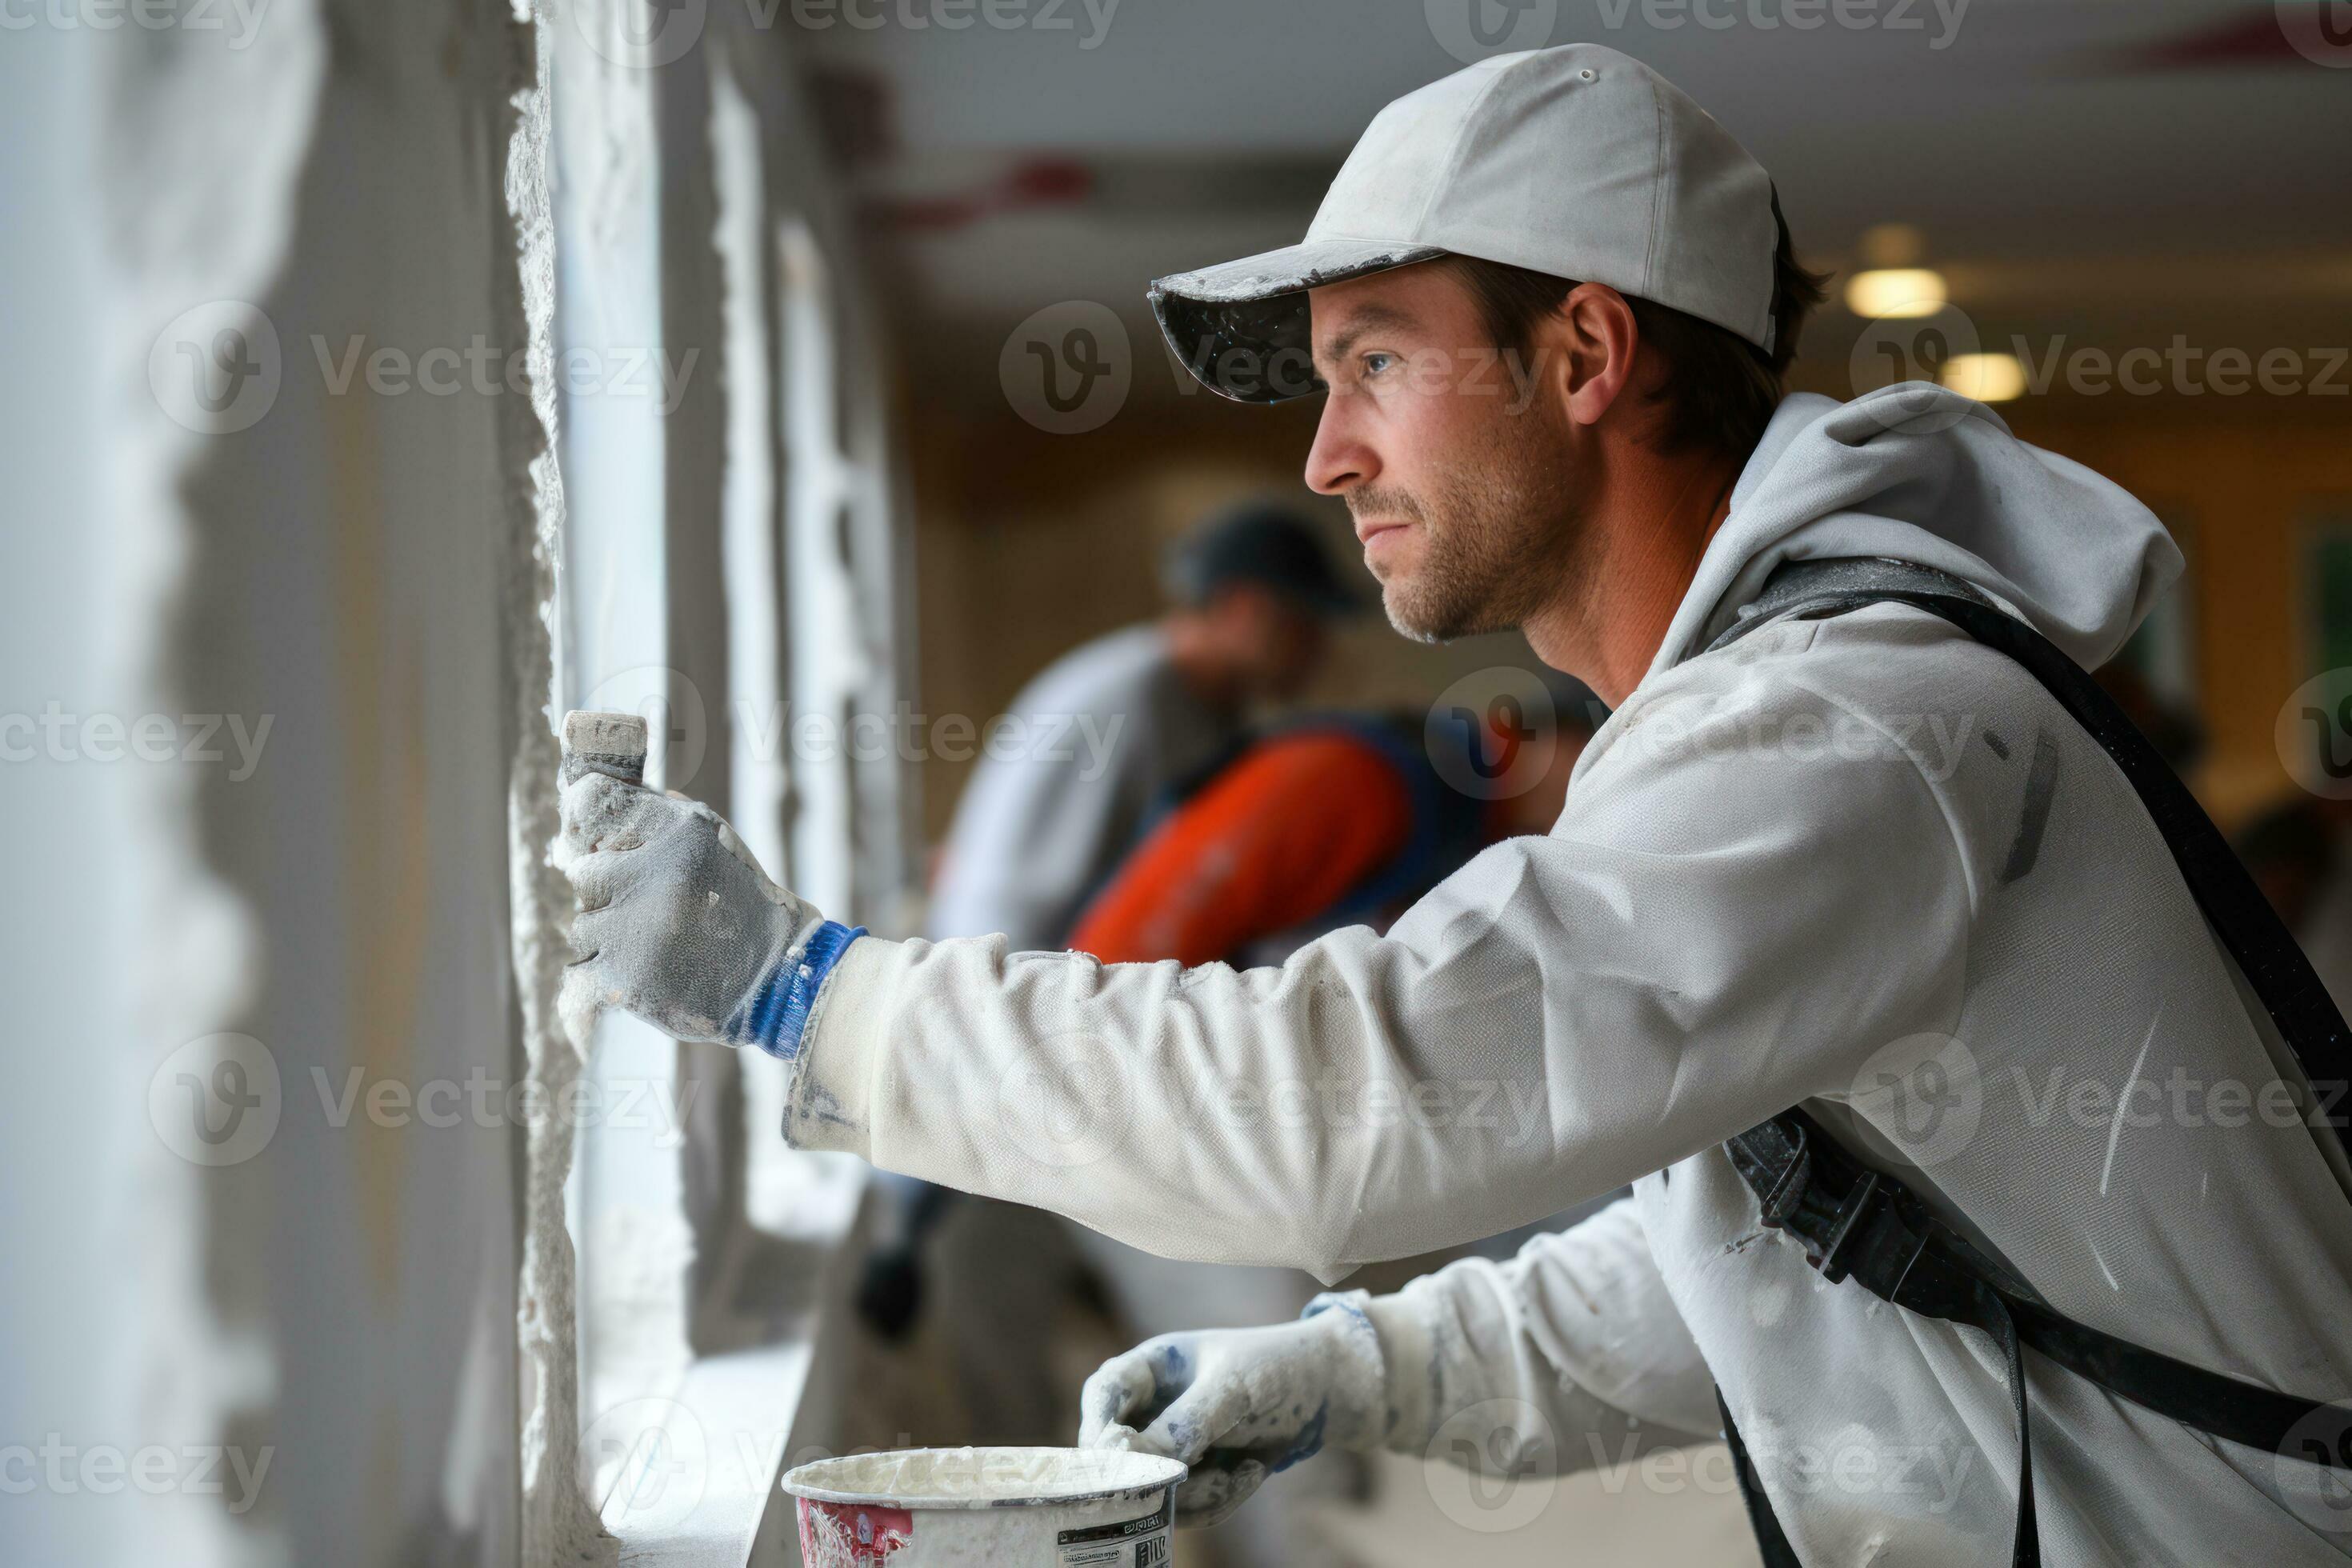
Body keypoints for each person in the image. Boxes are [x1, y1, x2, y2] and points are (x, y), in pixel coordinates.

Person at [556, 44, 2352, 1565]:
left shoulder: (1847, 728)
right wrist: (1368, 1366)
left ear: (1583, 356)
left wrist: (806, 989)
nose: (1327, 454)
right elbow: (1770, 1263)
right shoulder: (1766, 719)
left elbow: (1351, 1098)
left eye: (1376, 365)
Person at [865, 499, 1354, 1446]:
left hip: (1075, 1075)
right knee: (1014, 1425)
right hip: (996, 1085)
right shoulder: (1127, 700)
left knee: (1246, 1351)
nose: (1319, 654)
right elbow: (1005, 919)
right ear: (1248, 609)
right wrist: (927, 1175)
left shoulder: (1199, 712)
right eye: (1307, 624)